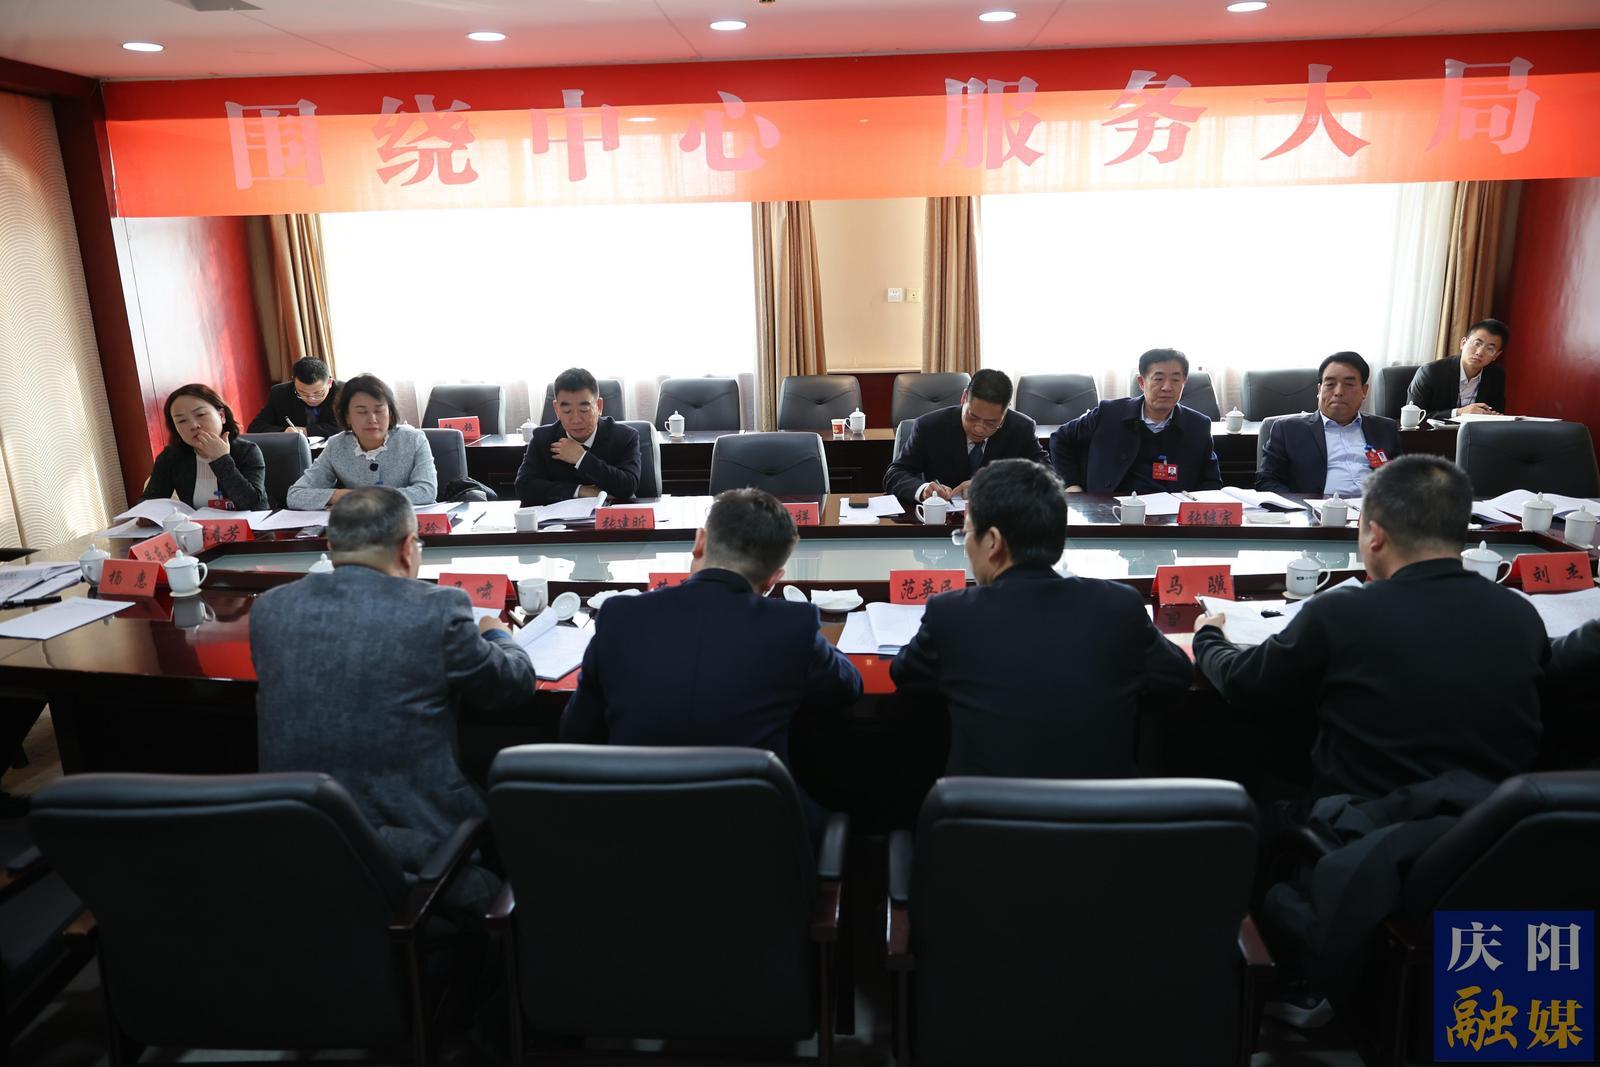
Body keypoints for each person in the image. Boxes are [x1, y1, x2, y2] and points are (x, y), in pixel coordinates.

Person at [1194, 454, 1547, 802]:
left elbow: (1243, 682)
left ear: (1375, 535)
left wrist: (1208, 636)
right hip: (1495, 828)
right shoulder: (1520, 615)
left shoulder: (1342, 612)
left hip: (1367, 827)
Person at [251, 486, 535, 897]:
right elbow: (512, 685)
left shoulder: (270, 609)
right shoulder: (437, 608)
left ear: (331, 548)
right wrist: (499, 635)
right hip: (413, 856)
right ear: (407, 548)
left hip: (301, 847)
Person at [561, 488, 862, 826]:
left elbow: (576, 732)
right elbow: (848, 686)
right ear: (773, 580)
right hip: (755, 837)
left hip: (628, 832)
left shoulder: (620, 616)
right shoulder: (793, 625)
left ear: (700, 542)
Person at [891, 459, 1191, 777]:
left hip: (984, 807)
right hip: (1102, 806)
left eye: (966, 533)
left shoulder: (950, 614)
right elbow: (1175, 676)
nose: (965, 545)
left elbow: (905, 675)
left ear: (992, 542)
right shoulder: (1120, 606)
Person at [1049, 348, 1222, 493]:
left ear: (1184, 382)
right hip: (1109, 509)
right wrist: (1071, 484)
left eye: (1176, 380)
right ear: (1141, 382)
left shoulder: (1197, 425)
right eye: (1158, 379)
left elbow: (1211, 481)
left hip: (1171, 514)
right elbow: (1061, 438)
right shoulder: (1109, 413)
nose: (1167, 387)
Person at [882, 368, 1046, 511]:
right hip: (943, 522)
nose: (979, 428)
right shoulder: (929, 427)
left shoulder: (1021, 428)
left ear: (1005, 411)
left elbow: (1048, 476)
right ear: (963, 398)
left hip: (1001, 521)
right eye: (972, 417)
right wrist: (924, 489)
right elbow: (895, 474)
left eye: (991, 423)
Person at [1256, 352, 1402, 497]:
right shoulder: (1287, 430)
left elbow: (1402, 479)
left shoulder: (1385, 429)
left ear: (1364, 391)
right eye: (1330, 384)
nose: (1338, 392)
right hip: (1316, 509)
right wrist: (1302, 505)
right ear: (1319, 390)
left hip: (1375, 508)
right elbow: (1267, 481)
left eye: (1349, 384)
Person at [286, 374, 437, 508]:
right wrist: (340, 496)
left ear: (390, 413)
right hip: (359, 527)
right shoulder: (336, 445)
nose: (372, 419)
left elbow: (426, 492)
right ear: (347, 416)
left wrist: (363, 499)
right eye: (362, 412)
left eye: (379, 410)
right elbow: (295, 495)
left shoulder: (413, 439)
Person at [515, 367, 641, 505]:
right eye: (567, 411)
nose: (576, 420)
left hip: (609, 516)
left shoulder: (625, 437)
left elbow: (628, 486)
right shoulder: (542, 439)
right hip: (561, 518)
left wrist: (581, 458)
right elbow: (523, 487)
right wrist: (579, 490)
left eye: (584, 410)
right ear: (557, 409)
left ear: (599, 406)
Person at [141, 383, 269, 511]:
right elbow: (149, 502)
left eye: (201, 415)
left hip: (248, 524)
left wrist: (221, 459)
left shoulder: (247, 451)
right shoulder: (171, 457)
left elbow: (254, 506)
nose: (193, 425)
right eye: (182, 421)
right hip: (195, 524)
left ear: (221, 416)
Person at [1406, 318, 1509, 421]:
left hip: (1474, 431)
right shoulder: (1431, 372)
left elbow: (1496, 411)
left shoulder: (1496, 376)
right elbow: (1413, 416)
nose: (1479, 352)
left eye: (1490, 349)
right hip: (1434, 431)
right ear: (1463, 343)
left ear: (1496, 355)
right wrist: (1458, 413)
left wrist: (1492, 416)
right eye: (1477, 344)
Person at [247, 357, 341, 438]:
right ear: (294, 382)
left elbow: (345, 427)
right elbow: (255, 427)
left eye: (318, 393)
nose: (311, 399)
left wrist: (307, 431)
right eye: (302, 393)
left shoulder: (343, 392)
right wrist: (284, 431)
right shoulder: (280, 393)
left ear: (329, 383)